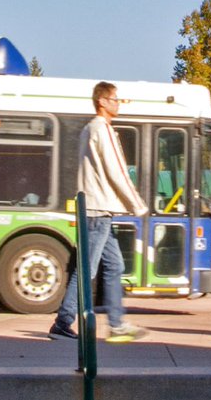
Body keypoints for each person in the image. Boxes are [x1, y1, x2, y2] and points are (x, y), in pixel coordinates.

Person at [48, 81, 149, 344]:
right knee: (87, 269)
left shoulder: (89, 129)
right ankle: (63, 323)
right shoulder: (102, 129)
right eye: (115, 99)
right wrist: (137, 205)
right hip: (98, 210)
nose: (118, 103)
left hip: (97, 209)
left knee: (114, 265)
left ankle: (116, 324)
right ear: (102, 101)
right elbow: (118, 171)